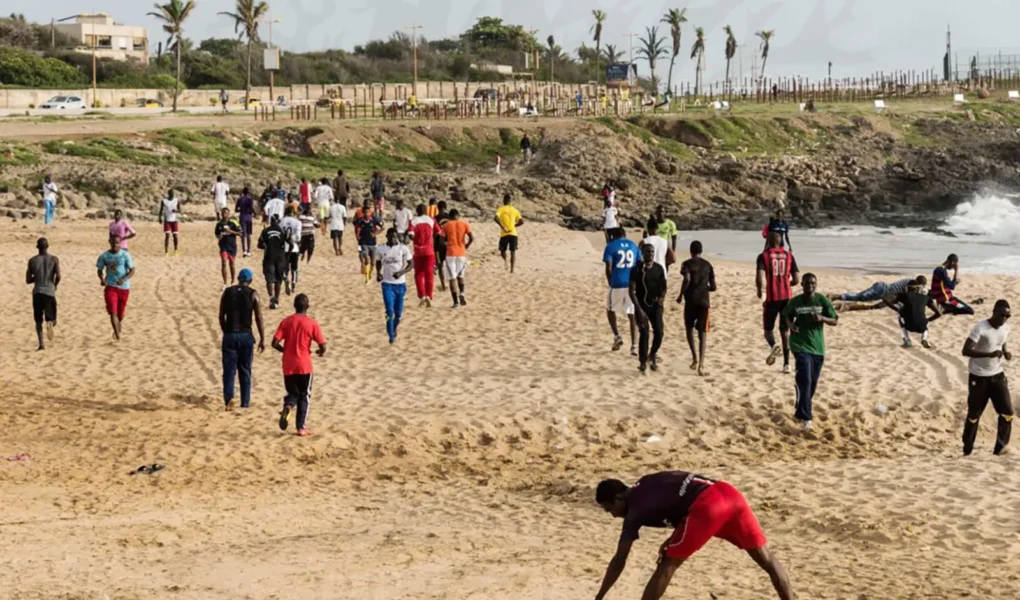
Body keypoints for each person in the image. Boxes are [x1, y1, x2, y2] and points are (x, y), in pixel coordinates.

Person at [593, 472, 794, 600]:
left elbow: (619, 561)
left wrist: (599, 597)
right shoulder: (645, 482)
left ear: (619, 497)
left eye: (609, 508)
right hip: (729, 493)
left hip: (708, 505)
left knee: (668, 563)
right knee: (767, 559)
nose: (612, 515)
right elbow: (678, 499)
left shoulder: (634, 512)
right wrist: (672, 539)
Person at [782, 273, 838, 431]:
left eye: (813, 283)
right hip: (799, 344)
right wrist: (791, 325)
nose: (810, 286)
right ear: (802, 285)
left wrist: (822, 318)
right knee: (805, 379)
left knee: (811, 383)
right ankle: (807, 418)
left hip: (818, 347)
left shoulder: (822, 300)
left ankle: (800, 409)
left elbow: (835, 320)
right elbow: (787, 315)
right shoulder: (796, 301)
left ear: (816, 285)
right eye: (807, 283)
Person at [962, 300, 1013, 456]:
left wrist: (1005, 351)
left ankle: (1000, 448)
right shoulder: (981, 328)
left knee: (1007, 412)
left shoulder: (1006, 328)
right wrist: (989, 354)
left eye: (1007, 316)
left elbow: (1002, 341)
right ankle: (967, 448)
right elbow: (966, 350)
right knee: (974, 414)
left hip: (997, 375)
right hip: (979, 377)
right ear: (994, 312)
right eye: (1002, 315)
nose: (1004, 319)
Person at [272, 294, 326, 437]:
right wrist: (320, 352)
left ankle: (288, 406)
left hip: (288, 363)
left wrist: (285, 350)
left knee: (292, 393)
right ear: (307, 307)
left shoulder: (286, 322)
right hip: (304, 364)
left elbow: (274, 343)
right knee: (304, 395)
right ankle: (300, 428)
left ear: (294, 306)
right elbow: (323, 345)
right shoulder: (312, 323)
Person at [219, 268, 265, 411]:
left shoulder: (227, 292)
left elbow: (221, 316)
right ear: (250, 281)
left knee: (229, 370)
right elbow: (258, 318)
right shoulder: (253, 294)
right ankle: (245, 402)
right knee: (245, 369)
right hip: (246, 335)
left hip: (230, 334)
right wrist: (262, 338)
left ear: (238, 279)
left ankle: (229, 399)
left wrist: (226, 331)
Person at [756, 232, 800, 373]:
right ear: (781, 242)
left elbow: (759, 277)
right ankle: (787, 364)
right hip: (787, 298)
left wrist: (760, 290)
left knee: (768, 330)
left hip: (772, 298)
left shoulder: (763, 256)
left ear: (768, 242)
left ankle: (774, 345)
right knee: (784, 331)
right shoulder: (789, 256)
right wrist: (787, 284)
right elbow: (797, 279)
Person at [677, 241, 716, 376]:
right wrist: (705, 288)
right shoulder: (708, 265)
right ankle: (701, 364)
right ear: (701, 251)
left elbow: (687, 279)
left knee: (689, 329)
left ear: (690, 251)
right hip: (704, 302)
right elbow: (714, 287)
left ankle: (694, 357)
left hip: (690, 301)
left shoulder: (686, 264)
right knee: (702, 333)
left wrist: (681, 294)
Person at [630, 243, 667, 373]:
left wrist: (662, 298)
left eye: (652, 252)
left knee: (659, 332)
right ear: (642, 253)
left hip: (655, 305)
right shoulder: (637, 269)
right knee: (644, 333)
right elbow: (631, 291)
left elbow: (664, 287)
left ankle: (652, 354)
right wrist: (639, 309)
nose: (650, 254)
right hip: (641, 306)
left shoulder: (659, 268)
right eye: (647, 252)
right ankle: (642, 362)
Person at [603, 228, 639, 355]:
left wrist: (610, 281)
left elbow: (608, 267)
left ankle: (617, 335)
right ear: (625, 234)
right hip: (631, 283)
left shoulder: (610, 246)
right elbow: (639, 264)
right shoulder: (633, 245)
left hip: (617, 283)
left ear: (613, 236)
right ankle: (634, 345)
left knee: (610, 309)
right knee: (632, 314)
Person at [375, 228, 414, 344]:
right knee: (389, 310)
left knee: (398, 314)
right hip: (387, 284)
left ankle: (394, 327)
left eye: (395, 237)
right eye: (391, 236)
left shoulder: (403, 248)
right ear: (386, 236)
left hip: (400, 285)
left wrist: (401, 273)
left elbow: (411, 264)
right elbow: (378, 262)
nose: (393, 239)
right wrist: (378, 273)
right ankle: (391, 335)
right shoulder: (380, 248)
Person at [96, 234, 135, 341]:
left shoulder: (125, 255)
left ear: (120, 243)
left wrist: (124, 279)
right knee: (112, 312)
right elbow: (99, 270)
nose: (115, 245)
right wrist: (102, 279)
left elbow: (132, 271)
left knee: (120, 314)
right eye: (113, 243)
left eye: (117, 243)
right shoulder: (104, 256)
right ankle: (118, 336)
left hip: (124, 288)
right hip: (111, 286)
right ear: (109, 242)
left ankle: (119, 323)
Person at [881, 278, 941, 348]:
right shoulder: (925, 297)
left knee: (900, 316)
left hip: (908, 325)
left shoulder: (904, 295)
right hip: (921, 326)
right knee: (924, 322)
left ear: (908, 288)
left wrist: (896, 309)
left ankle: (907, 340)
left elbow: (885, 299)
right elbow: (939, 313)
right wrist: (928, 320)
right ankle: (924, 338)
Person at [27, 238, 60, 351]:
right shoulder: (54, 259)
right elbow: (58, 276)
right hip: (49, 291)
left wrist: (36, 277)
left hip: (37, 292)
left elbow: (28, 280)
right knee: (51, 317)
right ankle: (50, 322)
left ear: (37, 247)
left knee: (38, 320)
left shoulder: (32, 261)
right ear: (48, 246)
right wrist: (55, 284)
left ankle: (41, 344)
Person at [442, 209, 474, 308]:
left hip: (451, 253)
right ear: (458, 215)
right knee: (460, 276)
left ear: (449, 216)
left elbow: (441, 240)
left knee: (452, 278)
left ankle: (456, 302)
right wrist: (466, 246)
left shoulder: (446, 225)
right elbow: (472, 238)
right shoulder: (464, 224)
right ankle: (462, 293)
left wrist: (446, 244)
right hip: (461, 253)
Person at [410, 204, 440, 307]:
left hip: (418, 251)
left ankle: (422, 295)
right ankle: (429, 295)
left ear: (417, 211)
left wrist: (416, 240)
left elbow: (411, 234)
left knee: (418, 274)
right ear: (426, 211)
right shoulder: (432, 220)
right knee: (429, 274)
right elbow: (439, 232)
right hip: (429, 251)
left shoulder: (413, 221)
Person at [257, 215, 288, 310]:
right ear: (279, 222)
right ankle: (277, 299)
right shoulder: (283, 231)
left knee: (269, 280)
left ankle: (271, 297)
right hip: (280, 258)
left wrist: (266, 245)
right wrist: (287, 254)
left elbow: (259, 245)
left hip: (269, 257)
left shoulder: (265, 231)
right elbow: (289, 243)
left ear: (271, 221)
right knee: (278, 280)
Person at [828, 276, 920, 305]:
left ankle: (837, 297)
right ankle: (835, 297)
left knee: (861, 297)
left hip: (882, 292)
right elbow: (906, 295)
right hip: (882, 289)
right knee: (860, 296)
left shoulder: (909, 283)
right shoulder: (909, 283)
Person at [354, 200, 383, 283]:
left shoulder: (372, 214)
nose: (368, 206)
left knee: (372, 261)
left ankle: (368, 270)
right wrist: (357, 234)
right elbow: (355, 223)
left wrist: (375, 232)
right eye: (367, 204)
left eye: (369, 205)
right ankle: (363, 265)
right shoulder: (358, 212)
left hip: (371, 241)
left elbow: (379, 224)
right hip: (361, 239)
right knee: (361, 253)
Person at [494, 193, 524, 273]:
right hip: (513, 233)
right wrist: (514, 225)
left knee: (502, 251)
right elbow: (522, 221)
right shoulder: (514, 210)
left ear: (504, 201)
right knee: (513, 251)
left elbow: (496, 218)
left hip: (504, 233)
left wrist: (502, 226)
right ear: (510, 201)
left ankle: (506, 260)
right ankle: (512, 270)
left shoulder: (501, 209)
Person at [215, 208, 242, 287]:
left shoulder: (233, 222)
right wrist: (219, 236)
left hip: (232, 247)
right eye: (223, 213)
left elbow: (240, 233)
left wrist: (231, 231)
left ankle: (233, 280)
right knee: (224, 263)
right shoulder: (219, 224)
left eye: (226, 213)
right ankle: (225, 283)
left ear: (228, 214)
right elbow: (217, 235)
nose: (224, 215)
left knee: (232, 264)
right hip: (223, 247)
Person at [280, 206, 302, 294]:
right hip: (294, 248)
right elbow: (298, 237)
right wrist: (292, 239)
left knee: (285, 267)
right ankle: (293, 284)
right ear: (293, 213)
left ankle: (285, 277)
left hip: (284, 248)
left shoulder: (281, 221)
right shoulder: (297, 222)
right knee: (294, 268)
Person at [235, 186, 256, 257]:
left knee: (243, 235)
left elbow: (236, 210)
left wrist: (241, 209)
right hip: (249, 217)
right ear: (248, 192)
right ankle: (249, 251)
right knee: (249, 234)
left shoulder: (239, 199)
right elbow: (251, 208)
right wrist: (254, 213)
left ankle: (244, 251)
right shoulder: (250, 199)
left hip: (242, 217)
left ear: (243, 192)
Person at [434, 201, 450, 291]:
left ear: (437, 208)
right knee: (450, 264)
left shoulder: (435, 218)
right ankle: (452, 282)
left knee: (440, 265)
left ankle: (443, 284)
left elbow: (434, 233)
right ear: (446, 207)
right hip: (449, 243)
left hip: (438, 245)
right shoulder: (449, 217)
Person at [159, 189, 180, 257]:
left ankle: (176, 250)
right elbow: (161, 210)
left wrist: (176, 211)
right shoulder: (164, 201)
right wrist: (159, 218)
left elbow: (180, 209)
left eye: (173, 193)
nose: (172, 194)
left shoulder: (176, 200)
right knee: (167, 236)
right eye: (171, 193)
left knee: (175, 236)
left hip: (174, 220)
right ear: (168, 193)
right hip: (167, 220)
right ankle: (166, 251)